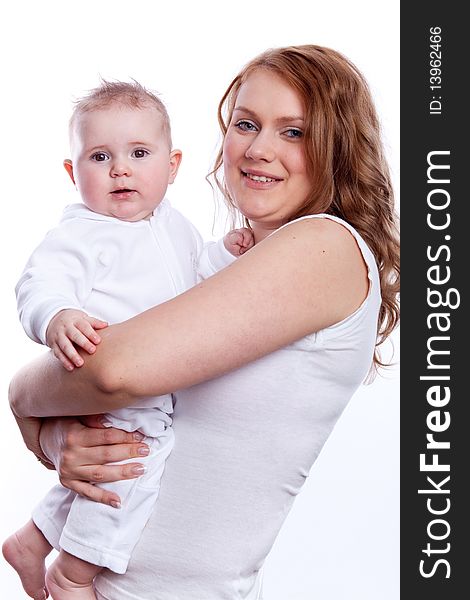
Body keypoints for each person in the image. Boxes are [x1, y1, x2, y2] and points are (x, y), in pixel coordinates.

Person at [5, 44, 399, 600]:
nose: (259, 148)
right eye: (246, 123)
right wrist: (58, 438)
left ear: (335, 147)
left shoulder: (324, 245)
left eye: (293, 131)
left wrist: (25, 398)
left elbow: (112, 370)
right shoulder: (214, 265)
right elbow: (139, 410)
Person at [3, 80, 254, 600]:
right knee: (130, 473)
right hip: (114, 389)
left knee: (102, 476)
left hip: (154, 384)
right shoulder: (81, 234)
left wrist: (223, 255)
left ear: (172, 165)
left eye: (139, 153)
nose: (120, 168)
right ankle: (73, 574)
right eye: (100, 156)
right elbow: (37, 285)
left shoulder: (174, 225)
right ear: (73, 174)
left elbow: (195, 282)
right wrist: (57, 316)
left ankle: (31, 539)